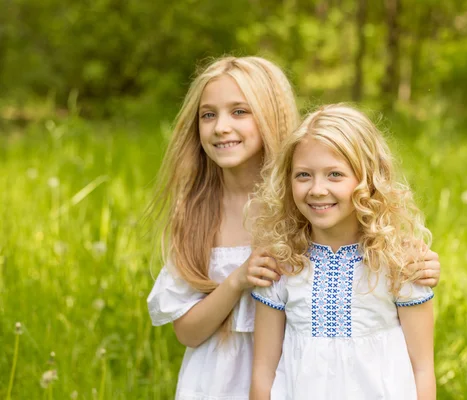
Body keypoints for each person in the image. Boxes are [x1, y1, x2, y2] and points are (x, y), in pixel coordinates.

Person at [147, 57, 440, 400]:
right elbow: (188, 332)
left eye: (239, 111)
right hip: (220, 382)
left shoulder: (302, 211)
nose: (221, 126)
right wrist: (239, 279)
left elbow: (367, 237)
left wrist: (417, 258)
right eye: (208, 114)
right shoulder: (198, 215)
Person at [250, 104, 436, 400]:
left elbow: (423, 369)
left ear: (368, 180)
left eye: (335, 174)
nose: (317, 189)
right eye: (303, 175)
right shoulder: (282, 261)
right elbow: (263, 373)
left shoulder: (399, 261)